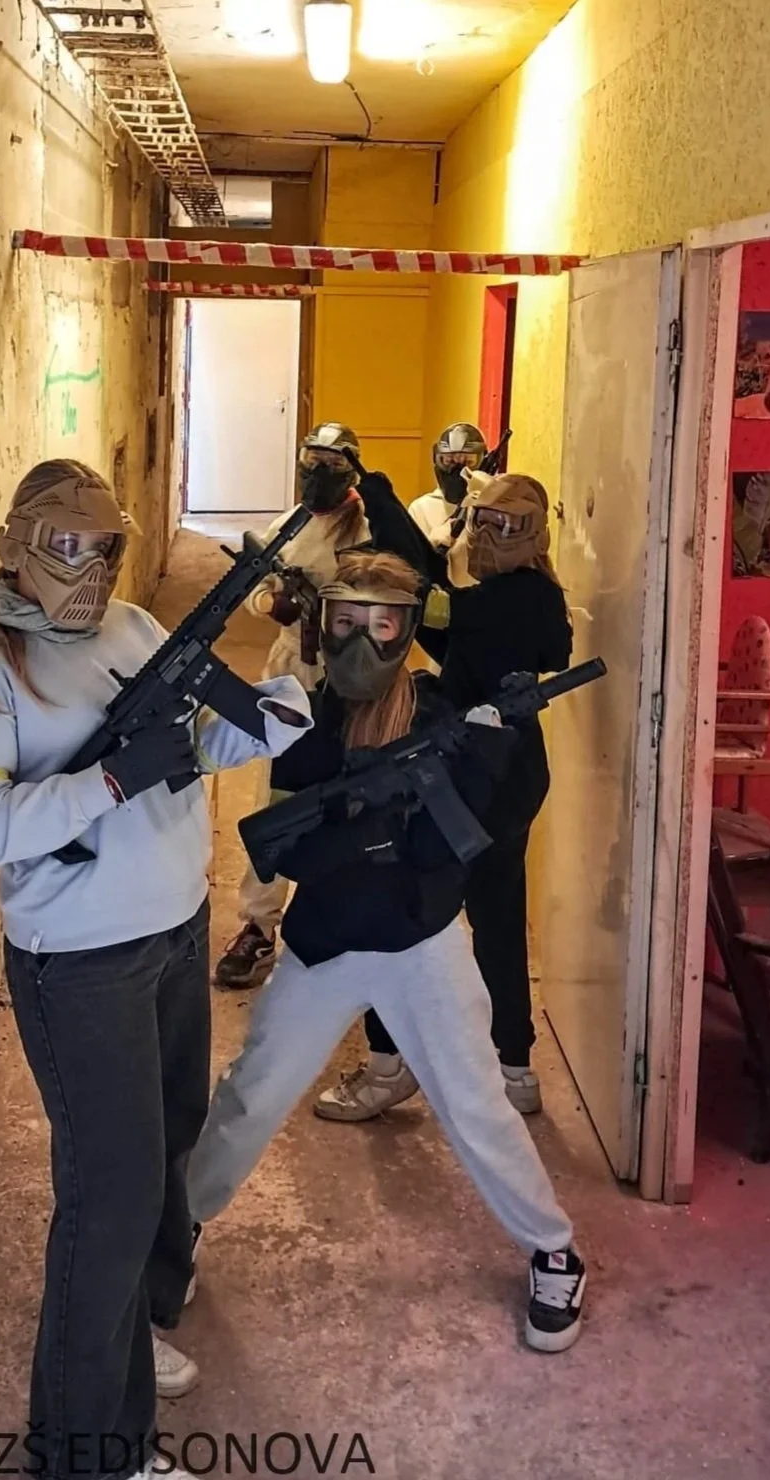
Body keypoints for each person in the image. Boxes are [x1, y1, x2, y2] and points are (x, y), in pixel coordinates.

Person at [0, 459, 311, 1480]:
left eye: (104, 547)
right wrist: (103, 780)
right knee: (110, 1195)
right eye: (66, 545)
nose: (88, 568)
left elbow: (199, 744)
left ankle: (129, 1333)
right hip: (81, 963)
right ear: (17, 547)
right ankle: (82, 1462)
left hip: (174, 933)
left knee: (171, 1137)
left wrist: (271, 713)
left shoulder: (137, 630)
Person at [189, 550, 587, 1354]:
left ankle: (553, 1249)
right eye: (345, 620)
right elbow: (290, 849)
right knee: (250, 1095)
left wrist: (489, 751)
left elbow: (456, 851)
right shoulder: (302, 719)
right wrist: (368, 831)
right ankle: (179, 1226)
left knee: (474, 1103)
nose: (362, 639)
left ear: (407, 631)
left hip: (421, 939)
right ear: (323, 623)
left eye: (383, 623)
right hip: (325, 943)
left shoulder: (443, 715)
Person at [316, 472, 571, 1122]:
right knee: (498, 917)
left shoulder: (505, 599)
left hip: (474, 774)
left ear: (531, 535)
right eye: (480, 520)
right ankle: (513, 1069)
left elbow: (430, 602)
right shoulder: (536, 598)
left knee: (395, 907)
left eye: (500, 525)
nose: (483, 535)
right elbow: (453, 635)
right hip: (511, 771)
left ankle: (388, 1066)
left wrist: (380, 504)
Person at [214, 420, 440, 989]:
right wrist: (276, 605)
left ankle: (354, 911)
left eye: (331, 465)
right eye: (310, 462)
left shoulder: (368, 528)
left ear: (351, 470)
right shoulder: (287, 525)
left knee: (360, 794)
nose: (318, 474)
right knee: (278, 797)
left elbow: (402, 585)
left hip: (357, 678)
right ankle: (259, 924)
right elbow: (256, 587)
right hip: (293, 670)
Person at [408, 422, 490, 546]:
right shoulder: (421, 509)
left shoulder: (493, 507)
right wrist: (432, 543)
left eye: (468, 461)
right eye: (449, 460)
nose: (458, 469)